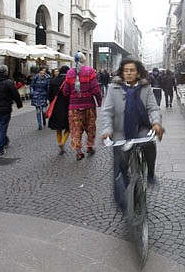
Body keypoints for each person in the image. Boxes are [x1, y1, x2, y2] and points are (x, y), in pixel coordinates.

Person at [101, 58, 164, 209]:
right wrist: (107, 130)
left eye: (132, 70)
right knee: (120, 167)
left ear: (138, 73)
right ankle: (124, 202)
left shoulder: (145, 87)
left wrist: (156, 123)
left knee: (149, 142)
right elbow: (107, 112)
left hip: (140, 127)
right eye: (126, 70)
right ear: (122, 72)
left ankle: (150, 173)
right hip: (120, 131)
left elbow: (153, 108)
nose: (129, 73)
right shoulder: (113, 88)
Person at [63, 52, 102, 160]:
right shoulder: (90, 71)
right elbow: (95, 89)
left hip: (74, 107)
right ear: (84, 60)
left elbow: (65, 91)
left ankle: (79, 152)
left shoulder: (69, 73)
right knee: (91, 128)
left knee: (75, 129)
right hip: (89, 105)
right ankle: (89, 146)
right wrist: (99, 102)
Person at [48, 65, 70, 155]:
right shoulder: (68, 81)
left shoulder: (53, 80)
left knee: (58, 128)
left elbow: (49, 95)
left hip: (56, 107)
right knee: (69, 127)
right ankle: (62, 142)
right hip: (67, 106)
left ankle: (59, 142)